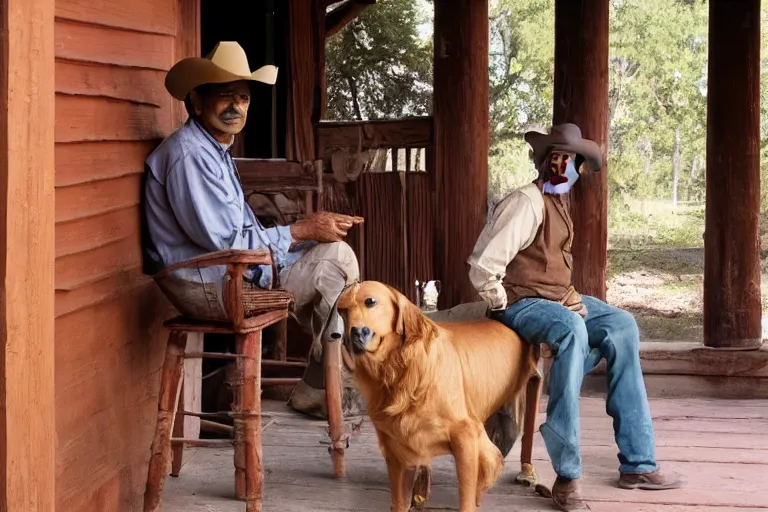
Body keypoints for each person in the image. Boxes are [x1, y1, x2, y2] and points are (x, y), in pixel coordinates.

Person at [467, 124, 683, 511]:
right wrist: (502, 304)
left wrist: (569, 302)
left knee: (621, 325)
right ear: (546, 162)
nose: (565, 166)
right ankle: (567, 476)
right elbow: (483, 267)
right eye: (559, 158)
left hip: (560, 300)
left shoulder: (560, 202)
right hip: (522, 303)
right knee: (571, 330)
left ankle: (637, 463)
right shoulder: (526, 202)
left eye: (572, 160)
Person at [142, 41, 363, 418]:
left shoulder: (213, 149)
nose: (235, 107)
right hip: (207, 284)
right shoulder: (190, 156)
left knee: (335, 264)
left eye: (242, 98)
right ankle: (325, 384)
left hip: (230, 272)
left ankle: (324, 383)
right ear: (196, 102)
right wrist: (300, 231)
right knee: (337, 266)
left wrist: (298, 241)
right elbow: (228, 243)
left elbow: (240, 235)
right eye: (224, 97)